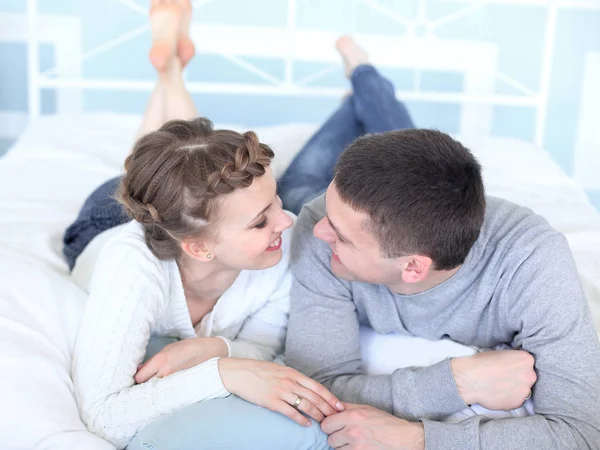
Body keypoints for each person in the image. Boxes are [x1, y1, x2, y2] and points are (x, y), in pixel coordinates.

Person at [284, 38, 600, 449]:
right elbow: (316, 388)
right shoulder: (312, 223)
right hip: (309, 196)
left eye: (340, 236)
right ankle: (363, 80)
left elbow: (581, 434)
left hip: (414, 225)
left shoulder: (534, 264)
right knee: (297, 187)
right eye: (329, 217)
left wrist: (420, 438)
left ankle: (361, 84)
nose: (319, 232)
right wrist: (457, 382)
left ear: (413, 267)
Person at [70, 2, 343, 449]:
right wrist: (223, 373)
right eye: (261, 222)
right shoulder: (131, 267)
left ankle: (170, 68)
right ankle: (170, 71)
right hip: (105, 220)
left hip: (181, 210)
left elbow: (269, 347)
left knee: (183, 157)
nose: (288, 220)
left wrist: (216, 348)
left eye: (276, 202)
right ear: (199, 249)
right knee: (160, 166)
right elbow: (103, 416)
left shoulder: (278, 251)